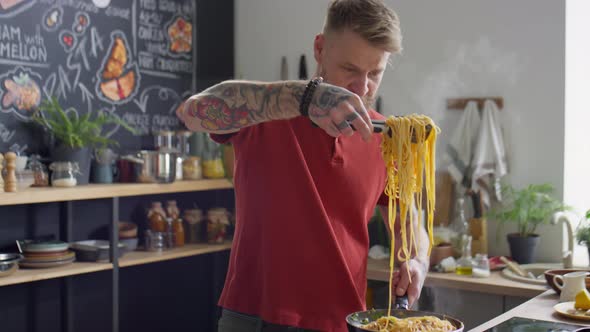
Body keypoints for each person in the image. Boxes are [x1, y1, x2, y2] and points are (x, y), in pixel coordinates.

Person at [177, 1, 429, 331]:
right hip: (255, 318)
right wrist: (303, 98)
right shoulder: (266, 113)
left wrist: (417, 259)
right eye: (350, 69)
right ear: (320, 49)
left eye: (375, 73)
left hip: (344, 321)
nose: (362, 87)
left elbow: (407, 218)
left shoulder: (385, 137)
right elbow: (192, 113)